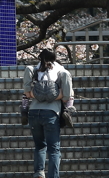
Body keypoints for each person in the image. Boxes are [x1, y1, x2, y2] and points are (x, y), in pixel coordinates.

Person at [23, 49, 73, 178]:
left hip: (33, 113)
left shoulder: (34, 69)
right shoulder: (61, 70)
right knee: (54, 150)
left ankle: (39, 173)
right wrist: (59, 96)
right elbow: (66, 97)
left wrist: (35, 95)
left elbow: (27, 94)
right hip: (51, 113)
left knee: (40, 146)